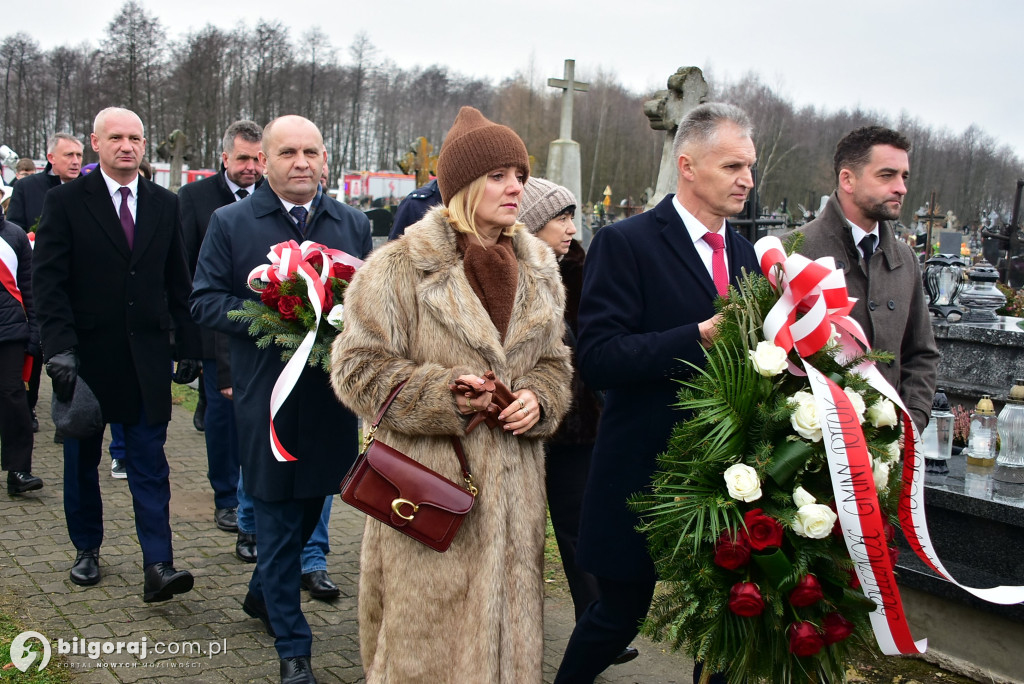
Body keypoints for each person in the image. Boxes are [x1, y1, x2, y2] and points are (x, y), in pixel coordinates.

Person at [330, 106, 572, 684]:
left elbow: (556, 364)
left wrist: (539, 399)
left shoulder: (540, 267)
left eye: (520, 172)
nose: (516, 186)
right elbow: (355, 369)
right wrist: (442, 395)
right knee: (424, 653)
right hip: (430, 490)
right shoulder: (399, 268)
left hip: (514, 500)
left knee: (507, 651)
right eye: (498, 175)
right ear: (463, 184)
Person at [554, 103, 762, 684]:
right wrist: (695, 337)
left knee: (726, 616)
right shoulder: (627, 243)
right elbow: (599, 360)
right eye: (732, 166)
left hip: (725, 476)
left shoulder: (746, 255)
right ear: (687, 165)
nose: (746, 179)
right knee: (617, 613)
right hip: (643, 467)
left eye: (750, 166)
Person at [191, 114, 371, 684]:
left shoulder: (353, 224)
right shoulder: (231, 222)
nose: (301, 162)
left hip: (327, 402)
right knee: (272, 512)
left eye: (311, 152)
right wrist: (277, 314)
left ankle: (261, 594)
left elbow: (369, 307)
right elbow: (204, 302)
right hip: (263, 400)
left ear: (325, 159)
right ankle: (295, 648)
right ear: (263, 161)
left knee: (310, 504)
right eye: (288, 152)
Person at [32, 107, 202, 602]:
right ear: (95, 143)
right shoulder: (64, 202)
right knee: (83, 462)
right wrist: (58, 348)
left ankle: (159, 563)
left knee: (150, 464)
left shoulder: (163, 205)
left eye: (135, 138)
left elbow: (178, 281)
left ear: (144, 145)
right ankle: (87, 548)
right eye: (116, 138)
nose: (127, 146)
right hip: (85, 362)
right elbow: (49, 284)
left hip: (145, 359)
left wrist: (188, 345)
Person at [787, 126, 939, 431]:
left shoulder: (904, 259)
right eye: (887, 175)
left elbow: (920, 354)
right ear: (848, 180)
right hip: (814, 454)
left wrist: (912, 421)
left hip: (890, 449)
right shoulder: (792, 252)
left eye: (904, 177)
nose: (901, 188)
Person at [179, 120, 265, 536]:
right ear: (225, 158)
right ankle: (225, 497)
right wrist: (185, 345)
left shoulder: (272, 200)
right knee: (222, 419)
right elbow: (183, 269)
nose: (250, 167)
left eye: (256, 158)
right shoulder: (195, 199)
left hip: (265, 330)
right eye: (242, 158)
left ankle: (255, 497)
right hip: (213, 329)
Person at [7, 133, 84, 433]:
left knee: (72, 353)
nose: (76, 161)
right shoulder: (28, 188)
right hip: (38, 279)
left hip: (78, 282)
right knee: (39, 348)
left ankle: (70, 416)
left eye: (79, 155)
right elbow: (13, 229)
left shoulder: (86, 190)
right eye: (69, 155)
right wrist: (32, 240)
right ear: (52, 158)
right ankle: (29, 407)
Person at [0, 204, 42, 495]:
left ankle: (18, 470)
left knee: (13, 397)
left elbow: (30, 288)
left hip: (10, 331)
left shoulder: (14, 236)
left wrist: (36, 332)